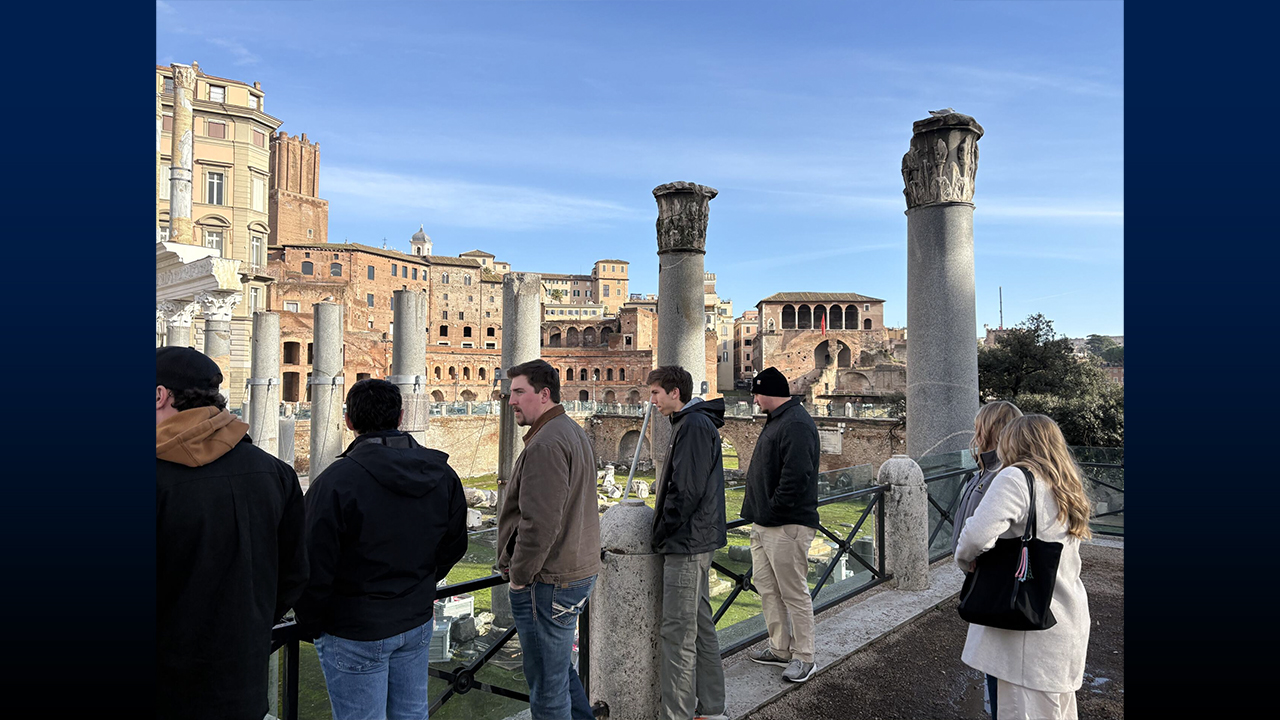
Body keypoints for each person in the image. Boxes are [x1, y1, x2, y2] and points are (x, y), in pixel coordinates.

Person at [294, 378, 468, 720]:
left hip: (355, 626)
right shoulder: (442, 474)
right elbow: (454, 544)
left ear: (349, 421)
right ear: (401, 417)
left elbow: (311, 562)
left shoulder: (334, 482)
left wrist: (311, 621)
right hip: (414, 620)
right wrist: (421, 583)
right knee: (411, 715)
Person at [156, 347, 308, 720]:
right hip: (242, 678)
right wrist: (248, 619)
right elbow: (295, 574)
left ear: (159, 395)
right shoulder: (275, 472)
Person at [956, 414, 1092, 720]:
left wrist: (967, 563)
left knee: (1020, 710)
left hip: (1024, 624)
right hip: (1065, 617)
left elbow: (975, 536)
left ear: (1014, 443)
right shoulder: (1064, 482)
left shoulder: (1016, 477)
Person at [496, 360, 601, 720]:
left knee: (545, 682)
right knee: (557, 671)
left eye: (518, 392)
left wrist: (519, 575)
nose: (510, 401)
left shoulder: (545, 444)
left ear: (544, 394)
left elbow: (539, 524)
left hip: (549, 580)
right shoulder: (570, 430)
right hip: (575, 569)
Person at [648, 366, 729, 720]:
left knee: (677, 635)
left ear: (674, 393)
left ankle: (677, 716)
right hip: (695, 540)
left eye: (655, 394)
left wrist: (661, 531)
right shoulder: (692, 423)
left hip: (686, 543)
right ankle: (711, 708)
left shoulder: (694, 426)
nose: (652, 402)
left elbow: (686, 490)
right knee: (699, 627)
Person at [739, 366, 821, 683]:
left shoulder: (797, 423)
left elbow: (796, 477)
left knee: (793, 593)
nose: (755, 399)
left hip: (786, 525)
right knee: (768, 589)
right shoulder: (779, 420)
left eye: (756, 393)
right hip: (764, 524)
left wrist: (773, 510)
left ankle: (805, 657)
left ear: (768, 392)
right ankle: (780, 648)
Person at [953, 401, 1023, 719]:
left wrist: (966, 558)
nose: (974, 433)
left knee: (998, 663)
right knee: (993, 662)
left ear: (990, 429)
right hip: (986, 577)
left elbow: (980, 533)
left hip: (995, 579)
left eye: (979, 426)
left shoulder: (1004, 475)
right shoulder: (988, 468)